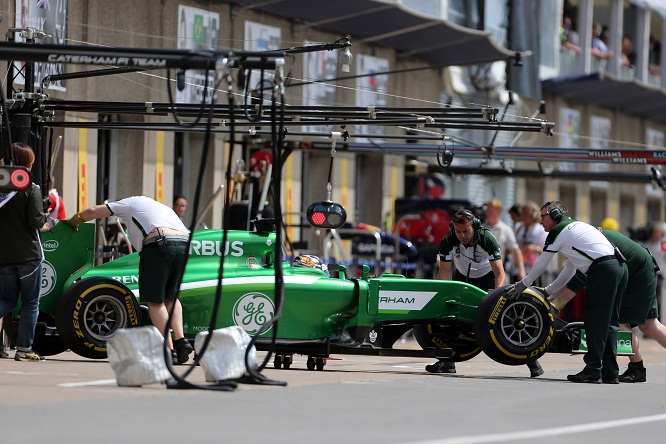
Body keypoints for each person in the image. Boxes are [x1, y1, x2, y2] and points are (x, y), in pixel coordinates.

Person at [62, 195, 194, 364]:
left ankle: (169, 350)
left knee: (155, 302)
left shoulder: (129, 203)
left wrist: (73, 222)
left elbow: (93, 211)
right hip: (183, 245)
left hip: (159, 245)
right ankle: (181, 340)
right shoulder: (163, 208)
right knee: (171, 297)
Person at [510, 201, 628, 384]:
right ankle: (610, 372)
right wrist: (549, 290)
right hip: (619, 267)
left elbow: (542, 263)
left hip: (603, 270)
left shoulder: (560, 231)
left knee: (595, 322)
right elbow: (570, 270)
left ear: (556, 215)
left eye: (543, 216)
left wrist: (523, 284)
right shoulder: (576, 228)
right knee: (610, 322)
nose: (541, 221)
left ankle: (593, 370)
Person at [425, 209, 543, 377]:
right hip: (462, 277)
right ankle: (447, 361)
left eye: (466, 231)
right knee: (448, 317)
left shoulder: (487, 239)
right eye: (458, 231)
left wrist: (496, 299)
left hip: (488, 277)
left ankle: (532, 361)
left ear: (475, 228)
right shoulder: (449, 240)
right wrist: (439, 298)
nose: (462, 236)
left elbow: (500, 274)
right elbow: (443, 273)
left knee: (504, 319)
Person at [549, 227, 666, 383]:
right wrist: (551, 297)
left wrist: (555, 305)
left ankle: (637, 367)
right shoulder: (592, 237)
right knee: (649, 325)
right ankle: (637, 368)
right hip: (644, 268)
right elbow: (572, 275)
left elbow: (579, 278)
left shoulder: (589, 245)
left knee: (618, 322)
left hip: (638, 274)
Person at [0, 142, 49, 361]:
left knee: (7, 301)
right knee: (30, 303)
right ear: (28, 162)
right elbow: (36, 222)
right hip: (29, 256)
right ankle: (24, 349)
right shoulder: (31, 187)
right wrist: (49, 221)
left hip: (4, 255)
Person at [483, 199, 525, 284]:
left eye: (491, 210)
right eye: (487, 210)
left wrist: (521, 270)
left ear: (498, 212)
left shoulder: (505, 229)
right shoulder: (481, 228)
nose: (488, 213)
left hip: (498, 270)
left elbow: (515, 250)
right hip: (482, 271)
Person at [516, 202, 548, 286]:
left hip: (534, 270)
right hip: (519, 268)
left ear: (533, 215)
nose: (523, 215)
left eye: (526, 213)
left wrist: (535, 249)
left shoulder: (541, 230)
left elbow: (547, 251)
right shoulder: (519, 228)